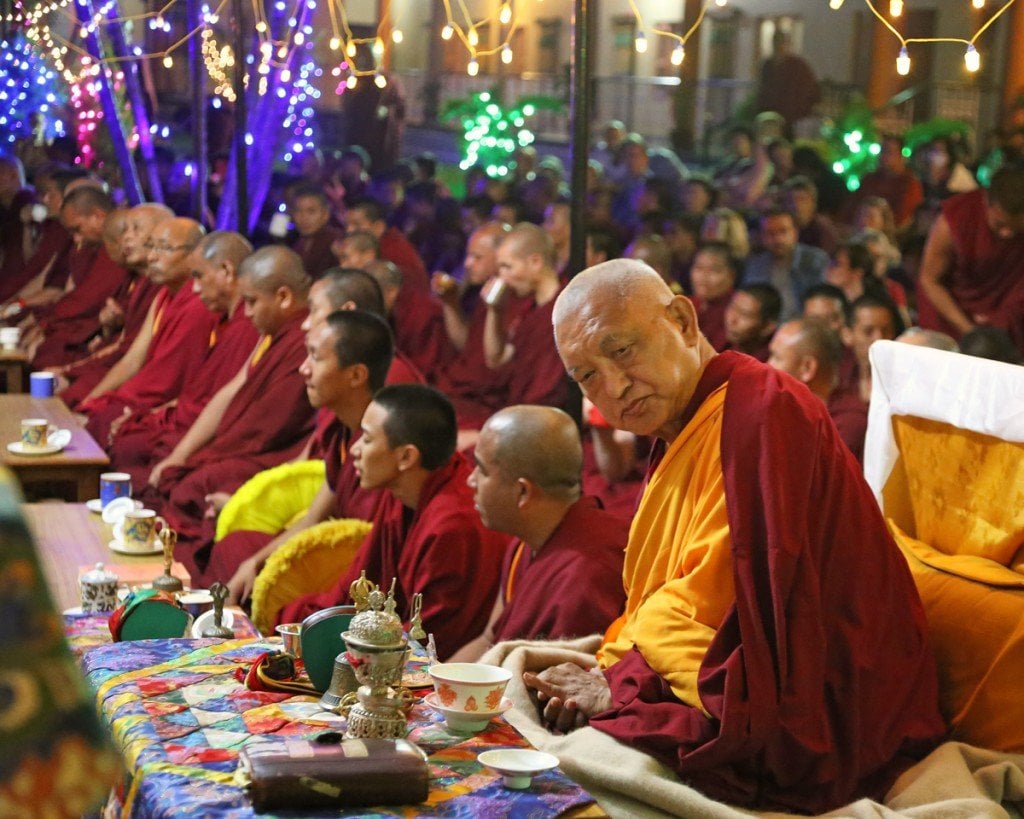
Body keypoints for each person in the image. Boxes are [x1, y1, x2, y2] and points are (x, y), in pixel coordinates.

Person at [524, 259, 944, 813]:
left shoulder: (763, 410)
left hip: (829, 700)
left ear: (682, 320)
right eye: (588, 376)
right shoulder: (686, 420)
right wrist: (620, 666)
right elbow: (678, 589)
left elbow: (730, 604)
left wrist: (620, 683)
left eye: (622, 350)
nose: (616, 385)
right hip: (736, 665)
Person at [276, 385, 507, 660]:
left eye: (368, 439)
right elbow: (358, 586)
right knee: (299, 620)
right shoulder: (403, 491)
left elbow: (426, 640)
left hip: (428, 662)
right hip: (387, 633)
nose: (354, 450)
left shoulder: (451, 525)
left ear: (406, 456)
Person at [147, 246, 315, 579]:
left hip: (273, 456)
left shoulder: (302, 342)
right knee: (176, 471)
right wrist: (182, 455)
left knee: (194, 486)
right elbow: (235, 389)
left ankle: (186, 581)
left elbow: (274, 428)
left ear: (283, 297)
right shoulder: (272, 335)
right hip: (246, 449)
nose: (246, 312)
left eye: (251, 301)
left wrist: (204, 458)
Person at [216, 309, 396, 596]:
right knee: (236, 550)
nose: (303, 368)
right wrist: (256, 562)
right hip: (333, 559)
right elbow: (313, 519)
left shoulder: (381, 448)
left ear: (356, 375)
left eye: (316, 357)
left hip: (360, 584)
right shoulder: (342, 432)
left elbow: (371, 555)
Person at [450, 405, 628, 661]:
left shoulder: (584, 576)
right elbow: (489, 639)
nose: (471, 480)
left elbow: (554, 686)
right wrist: (430, 690)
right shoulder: (526, 541)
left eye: (482, 470)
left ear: (523, 492)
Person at [109, 231, 259, 477]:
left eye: (199, 277)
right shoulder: (227, 321)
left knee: (132, 446)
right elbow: (197, 394)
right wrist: (152, 416)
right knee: (127, 435)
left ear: (227, 271)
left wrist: (175, 447)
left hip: (217, 439)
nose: (196, 288)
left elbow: (226, 404)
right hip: (189, 421)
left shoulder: (246, 328)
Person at [78, 217, 216, 447]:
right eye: (152, 247)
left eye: (164, 248)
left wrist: (113, 405)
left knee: (113, 430)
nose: (152, 257)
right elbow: (133, 359)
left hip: (165, 405)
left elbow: (166, 380)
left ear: (194, 256)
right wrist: (92, 400)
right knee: (93, 414)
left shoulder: (199, 305)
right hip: (142, 396)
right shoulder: (163, 295)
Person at [55, 203, 171, 405]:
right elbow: (126, 344)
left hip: (144, 381)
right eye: (125, 230)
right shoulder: (144, 282)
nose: (125, 238)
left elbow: (136, 357)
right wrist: (108, 329)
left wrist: (85, 396)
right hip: (119, 366)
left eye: (136, 229)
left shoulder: (165, 289)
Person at [916, 164, 1024, 357]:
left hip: (1006, 323)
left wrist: (1001, 320)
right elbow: (929, 279)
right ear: (986, 203)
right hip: (952, 317)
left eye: (1016, 228)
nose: (1007, 234)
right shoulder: (956, 218)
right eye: (999, 225)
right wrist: (969, 330)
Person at [26, 187, 129, 369]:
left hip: (111, 331)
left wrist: (45, 322)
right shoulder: (94, 246)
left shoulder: (117, 247)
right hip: (97, 324)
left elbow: (90, 298)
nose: (76, 239)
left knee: (52, 351)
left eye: (77, 229)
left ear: (97, 216)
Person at [482, 223, 567, 417]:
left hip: (545, 418)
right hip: (520, 411)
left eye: (507, 266)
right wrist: (494, 310)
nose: (501, 277)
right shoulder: (529, 309)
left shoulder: (565, 308)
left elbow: (547, 392)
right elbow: (496, 359)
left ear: (535, 262)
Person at [768, 318, 868, 462]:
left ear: (807, 368)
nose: (767, 366)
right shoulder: (785, 407)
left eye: (777, 358)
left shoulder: (847, 422)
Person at [743, 208, 828, 320]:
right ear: (762, 237)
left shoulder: (816, 260)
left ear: (795, 233)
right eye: (770, 233)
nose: (778, 239)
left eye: (783, 231)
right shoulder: (755, 265)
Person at [344, 198, 429, 292]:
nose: (349, 230)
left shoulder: (393, 251)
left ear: (378, 227)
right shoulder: (373, 245)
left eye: (357, 224)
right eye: (347, 224)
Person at [755, 30, 820, 134]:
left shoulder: (798, 65)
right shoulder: (767, 65)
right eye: (777, 43)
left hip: (792, 117)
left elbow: (809, 90)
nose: (780, 47)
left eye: (783, 43)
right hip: (770, 116)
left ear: (788, 45)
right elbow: (763, 89)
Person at [844, 293, 904, 403]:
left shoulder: (905, 382)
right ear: (847, 335)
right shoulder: (837, 380)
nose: (879, 339)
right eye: (868, 331)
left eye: (886, 331)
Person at [285, 184, 346, 278]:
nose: (304, 218)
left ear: (325, 214)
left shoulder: (336, 241)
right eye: (298, 211)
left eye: (311, 211)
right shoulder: (298, 244)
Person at [688, 242, 737, 352]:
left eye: (714, 270)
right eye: (699, 268)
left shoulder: (736, 311)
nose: (703, 277)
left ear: (731, 276)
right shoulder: (687, 304)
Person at [723, 283, 780, 361]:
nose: (732, 320)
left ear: (767, 327)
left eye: (745, 315)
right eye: (732, 308)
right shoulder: (729, 346)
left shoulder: (769, 363)